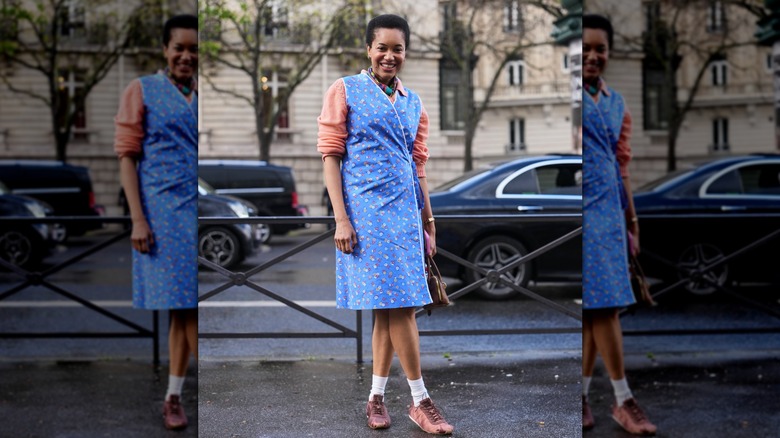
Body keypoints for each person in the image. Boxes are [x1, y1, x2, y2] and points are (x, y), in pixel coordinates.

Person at [317, 14, 454, 435]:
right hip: (366, 218)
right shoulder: (345, 89)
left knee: (389, 311)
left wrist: (428, 220)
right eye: (383, 47)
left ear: (405, 53)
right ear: (368, 49)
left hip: (406, 219)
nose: (390, 56)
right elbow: (330, 157)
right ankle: (420, 401)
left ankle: (376, 398)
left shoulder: (414, 102)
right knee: (399, 308)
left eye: (398, 49)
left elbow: (419, 166)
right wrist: (341, 219)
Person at [114, 14, 198, 430]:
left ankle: (173, 397)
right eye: (179, 47)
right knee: (186, 312)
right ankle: (187, 398)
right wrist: (137, 220)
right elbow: (127, 157)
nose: (186, 55)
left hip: (199, 216)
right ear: (165, 50)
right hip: (161, 220)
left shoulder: (205, 93)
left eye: (194, 49)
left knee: (186, 314)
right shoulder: (141, 90)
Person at [581, 14, 657, 436]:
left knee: (600, 308)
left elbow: (623, 163)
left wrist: (632, 217)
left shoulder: (616, 103)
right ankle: (623, 399)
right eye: (586, 48)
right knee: (602, 307)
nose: (593, 56)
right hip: (581, 213)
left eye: (600, 49)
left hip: (609, 213)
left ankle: (586, 396)